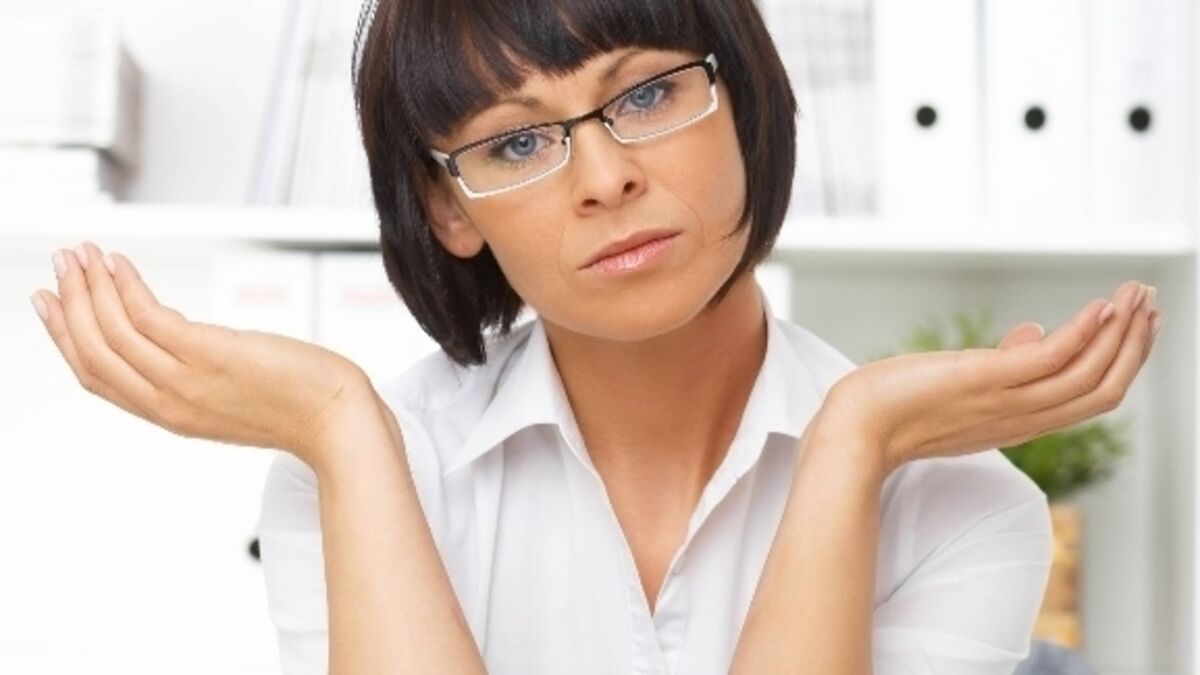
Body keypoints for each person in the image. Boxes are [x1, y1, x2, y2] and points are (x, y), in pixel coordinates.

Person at [28, 0, 1164, 673]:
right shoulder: (360, 471)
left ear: (744, 100)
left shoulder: (966, 507)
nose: (607, 178)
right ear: (449, 209)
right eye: (516, 144)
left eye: (647, 94)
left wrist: (852, 442)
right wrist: (341, 428)